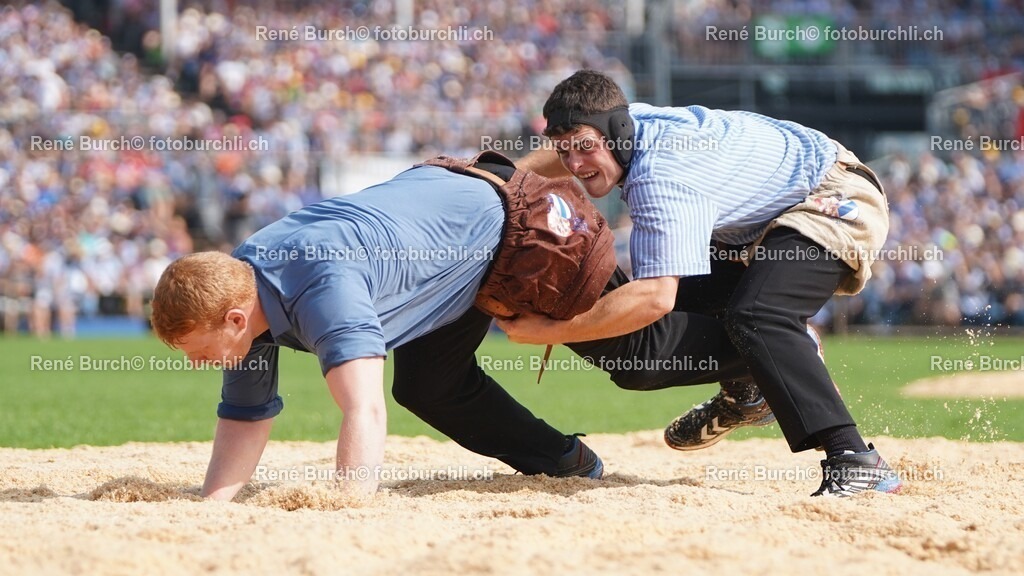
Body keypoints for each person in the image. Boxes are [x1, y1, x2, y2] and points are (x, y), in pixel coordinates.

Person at [503, 69, 902, 497]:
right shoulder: (624, 122)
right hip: (763, 219)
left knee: (757, 316)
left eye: (584, 148)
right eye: (565, 151)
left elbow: (655, 297)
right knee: (648, 349)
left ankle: (855, 459)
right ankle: (751, 386)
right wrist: (505, 180)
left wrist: (551, 332)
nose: (575, 164)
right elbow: (565, 146)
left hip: (832, 197)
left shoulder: (662, 176)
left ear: (617, 131)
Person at [149, 157, 610, 501]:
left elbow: (364, 409)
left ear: (233, 321)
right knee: (427, 387)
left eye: (196, 349)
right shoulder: (240, 287)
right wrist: (209, 508)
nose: (195, 362)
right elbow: (244, 417)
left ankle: (678, 329)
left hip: (497, 225)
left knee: (645, 356)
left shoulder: (325, 287)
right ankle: (564, 458)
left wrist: (348, 505)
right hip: (427, 212)